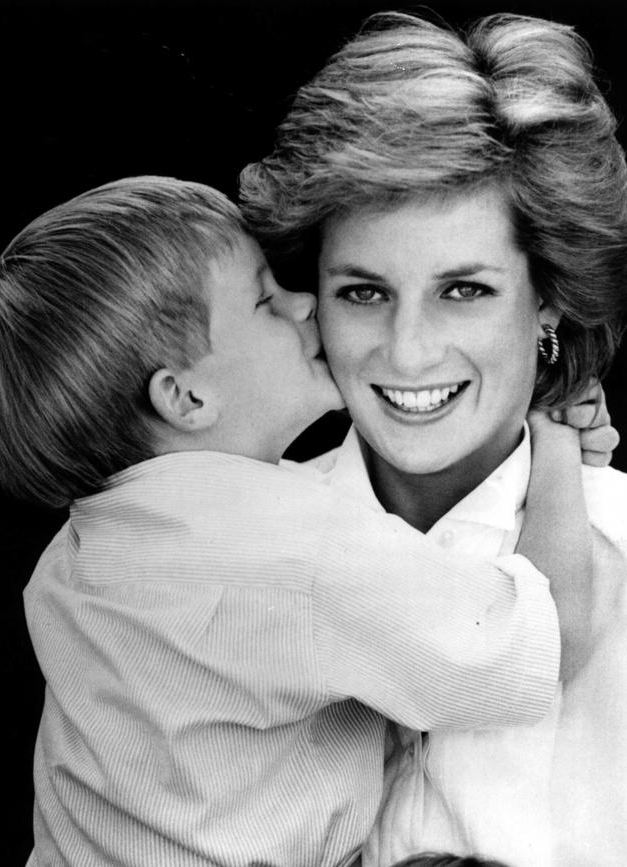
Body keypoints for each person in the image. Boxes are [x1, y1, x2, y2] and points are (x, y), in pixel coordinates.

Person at [0, 175, 612, 867]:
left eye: (462, 290)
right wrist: (553, 433)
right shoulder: (286, 548)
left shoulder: (70, 561)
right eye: (264, 300)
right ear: (185, 396)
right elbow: (550, 634)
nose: (303, 301)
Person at [240, 11, 627, 867]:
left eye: (464, 290)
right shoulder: (224, 557)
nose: (407, 351)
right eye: (365, 293)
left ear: (551, 302)